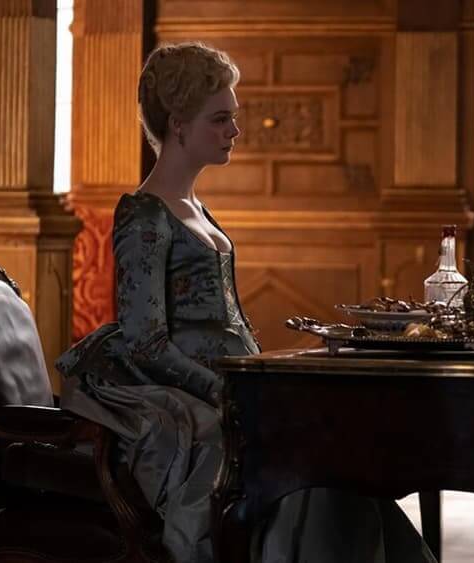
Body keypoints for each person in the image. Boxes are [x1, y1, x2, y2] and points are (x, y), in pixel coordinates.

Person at [56, 42, 435, 563]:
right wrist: (226, 390)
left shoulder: (194, 206)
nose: (234, 130)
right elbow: (146, 342)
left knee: (341, 456)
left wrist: (265, 373)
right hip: (194, 392)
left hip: (238, 382)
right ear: (178, 125)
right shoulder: (145, 215)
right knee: (306, 459)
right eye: (220, 119)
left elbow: (225, 318)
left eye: (232, 117)